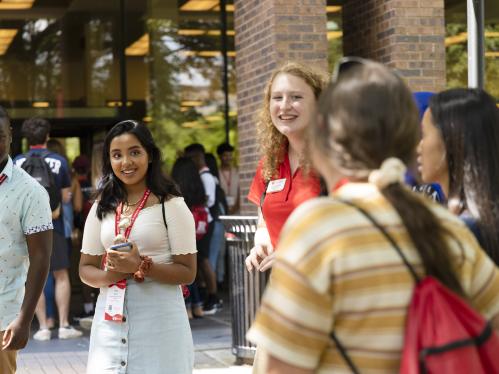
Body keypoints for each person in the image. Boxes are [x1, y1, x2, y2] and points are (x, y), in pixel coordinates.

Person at [247, 58, 499, 373]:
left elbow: (279, 368)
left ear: (323, 132)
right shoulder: (449, 227)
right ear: (411, 142)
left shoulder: (317, 229)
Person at [79, 120, 196, 373]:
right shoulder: (102, 207)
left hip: (161, 327)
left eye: (135, 152)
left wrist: (140, 265)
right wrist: (113, 275)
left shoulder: (172, 206)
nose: (126, 162)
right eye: (117, 155)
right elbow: (85, 269)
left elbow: (188, 272)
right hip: (109, 329)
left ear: (150, 155)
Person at [245, 62, 328, 272]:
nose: (284, 106)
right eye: (277, 97)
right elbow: (264, 221)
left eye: (296, 97)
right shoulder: (269, 163)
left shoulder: (335, 158)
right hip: (284, 289)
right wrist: (261, 239)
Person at [14, 118, 82, 340]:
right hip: (54, 226)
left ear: (26, 138)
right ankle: (63, 325)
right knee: (61, 274)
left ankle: (43, 327)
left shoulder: (17, 161)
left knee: (33, 276)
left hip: (26, 229)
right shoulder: (59, 161)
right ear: (47, 136)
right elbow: (64, 197)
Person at [417, 88, 499, 263]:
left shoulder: (463, 233)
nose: (418, 147)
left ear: (452, 139)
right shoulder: (478, 222)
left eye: (423, 134)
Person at [0, 107, 53, 373]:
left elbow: (41, 258)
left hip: (2, 317)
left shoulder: (31, 191)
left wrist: (24, 319)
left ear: (10, 135)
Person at [184, 143, 220, 314]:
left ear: (198, 157)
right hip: (202, 222)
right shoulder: (201, 175)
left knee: (204, 260)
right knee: (201, 259)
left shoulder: (206, 177)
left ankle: (213, 296)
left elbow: (209, 200)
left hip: (205, 222)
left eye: (191, 159)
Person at [171, 156, 207, 319]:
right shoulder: (198, 184)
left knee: (184, 269)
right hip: (198, 230)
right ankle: (197, 305)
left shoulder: (174, 188)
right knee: (194, 269)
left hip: (181, 230)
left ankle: (187, 307)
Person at [217, 142, 240, 214]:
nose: (228, 158)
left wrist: (236, 207)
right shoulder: (216, 173)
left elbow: (241, 191)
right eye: (225, 155)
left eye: (230, 155)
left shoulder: (237, 171)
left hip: (237, 210)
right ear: (220, 157)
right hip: (221, 211)